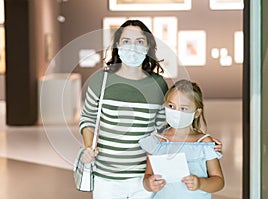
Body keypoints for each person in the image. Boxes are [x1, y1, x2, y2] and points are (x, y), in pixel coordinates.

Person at [79, 20, 222, 199]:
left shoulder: (157, 84)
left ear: (148, 47)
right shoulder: (101, 80)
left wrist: (202, 141)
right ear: (117, 45)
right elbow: (88, 118)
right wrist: (87, 147)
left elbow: (167, 126)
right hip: (106, 177)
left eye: (139, 41)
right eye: (126, 41)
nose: (133, 47)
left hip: (145, 177)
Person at [139, 79, 224, 199]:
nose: (176, 112)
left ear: (196, 113)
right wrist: (149, 184)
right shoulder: (157, 142)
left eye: (183, 108)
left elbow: (219, 181)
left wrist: (200, 183)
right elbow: (148, 176)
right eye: (171, 106)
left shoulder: (204, 143)